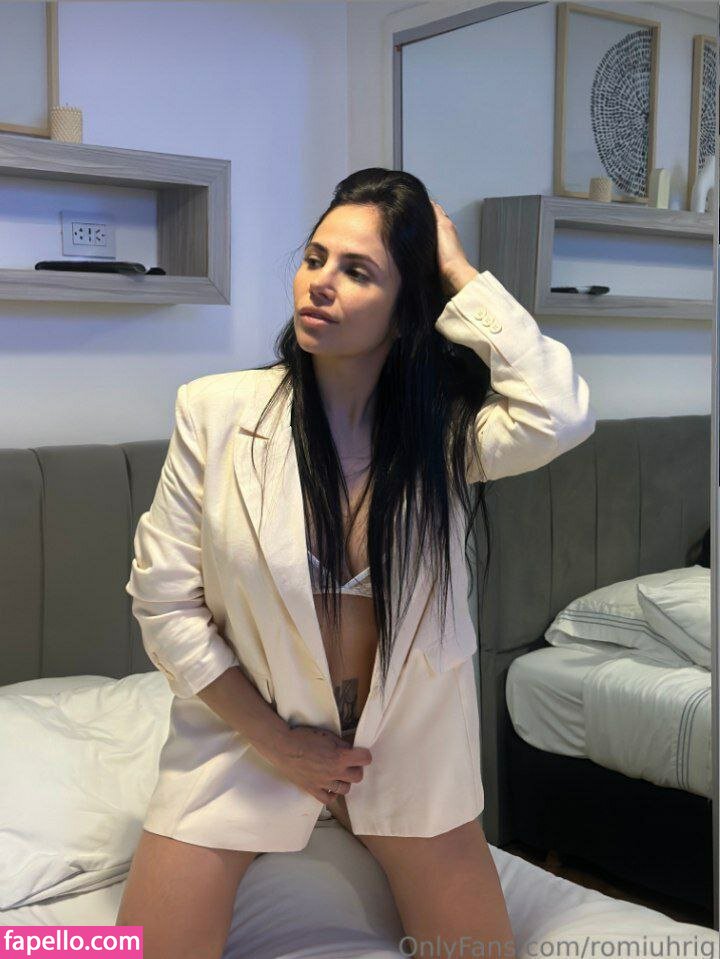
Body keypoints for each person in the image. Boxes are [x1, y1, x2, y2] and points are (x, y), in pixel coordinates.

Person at [116, 168, 596, 958]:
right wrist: (279, 743)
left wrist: (456, 268)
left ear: (407, 311)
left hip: (400, 748)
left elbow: (562, 412)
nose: (320, 282)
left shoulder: (446, 436)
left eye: (357, 270)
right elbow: (165, 603)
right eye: (314, 259)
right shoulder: (215, 412)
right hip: (247, 738)